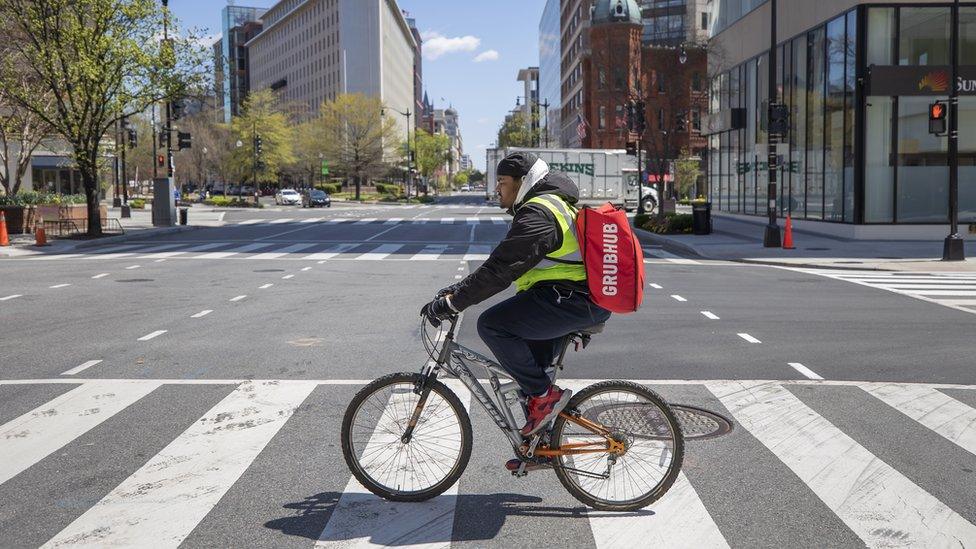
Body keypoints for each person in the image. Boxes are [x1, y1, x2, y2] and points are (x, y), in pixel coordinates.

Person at [420, 152, 612, 470]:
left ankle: (544, 399)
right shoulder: (544, 206)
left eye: (503, 182)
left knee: (493, 326)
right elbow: (502, 263)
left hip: (569, 300)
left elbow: (501, 269)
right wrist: (457, 291)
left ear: (523, 182)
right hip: (568, 300)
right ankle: (542, 446)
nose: (498, 189)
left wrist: (454, 304)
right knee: (529, 376)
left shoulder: (540, 212)